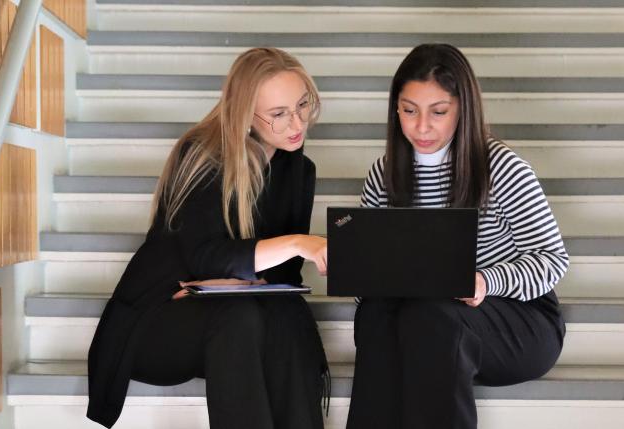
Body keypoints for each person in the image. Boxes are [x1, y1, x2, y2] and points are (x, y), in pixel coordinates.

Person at [87, 47, 330, 429]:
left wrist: (236, 278)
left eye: (302, 105)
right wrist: (299, 241)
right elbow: (206, 257)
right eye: (279, 114)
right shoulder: (203, 155)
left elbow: (277, 273)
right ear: (245, 114)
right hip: (160, 317)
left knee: (281, 312)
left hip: (232, 324)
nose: (296, 123)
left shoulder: (299, 170)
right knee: (241, 315)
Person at [346, 43, 570, 429]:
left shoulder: (502, 168)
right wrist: (357, 268)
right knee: (375, 314)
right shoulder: (385, 174)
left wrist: (486, 280)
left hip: (515, 319)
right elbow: (369, 282)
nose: (421, 127)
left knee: (432, 317)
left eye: (439, 112)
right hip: (425, 323)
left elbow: (552, 261)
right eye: (409, 110)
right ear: (395, 108)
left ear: (463, 109)